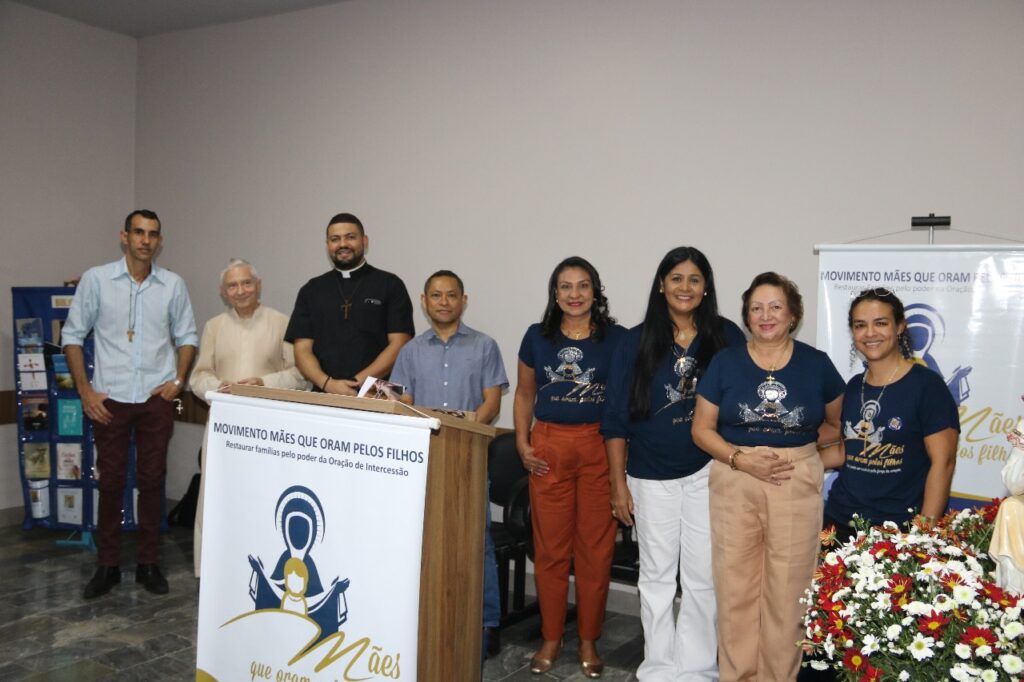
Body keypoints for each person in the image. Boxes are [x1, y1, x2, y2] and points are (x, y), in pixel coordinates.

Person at [692, 271, 844, 682]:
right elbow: (702, 429)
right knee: (736, 590)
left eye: (775, 306)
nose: (765, 315)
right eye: (756, 308)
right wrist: (743, 459)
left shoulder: (817, 364)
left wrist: (801, 454)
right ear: (746, 316)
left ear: (792, 314)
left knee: (787, 594)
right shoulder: (726, 362)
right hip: (734, 479)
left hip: (794, 483)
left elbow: (835, 425)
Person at [602, 247, 745, 681]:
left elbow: (742, 401)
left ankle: (699, 669)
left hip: (708, 472)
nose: (685, 287)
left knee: (703, 577)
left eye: (695, 279)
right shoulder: (634, 340)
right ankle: (660, 668)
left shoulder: (726, 336)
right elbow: (614, 420)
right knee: (658, 578)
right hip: (648, 476)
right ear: (662, 284)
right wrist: (617, 485)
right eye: (677, 278)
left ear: (706, 288)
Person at [63, 209, 198, 599]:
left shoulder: (172, 285)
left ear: (160, 240)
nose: (145, 240)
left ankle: (148, 563)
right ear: (124, 237)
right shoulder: (97, 280)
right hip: (110, 399)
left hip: (156, 399)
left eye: (153, 234)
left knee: (152, 481)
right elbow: (72, 336)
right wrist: (86, 392)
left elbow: (187, 336)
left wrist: (178, 380)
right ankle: (106, 566)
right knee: (111, 482)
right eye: (138, 232)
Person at [513, 256, 624, 678]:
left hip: (599, 447)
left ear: (595, 292)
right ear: (554, 293)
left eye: (582, 286)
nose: (574, 294)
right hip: (549, 449)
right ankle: (552, 636)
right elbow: (524, 395)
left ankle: (589, 639)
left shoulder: (616, 339)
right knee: (551, 551)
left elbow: (623, 400)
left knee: (595, 552)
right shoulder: (536, 337)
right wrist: (523, 443)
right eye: (565, 286)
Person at [389, 270, 509, 657]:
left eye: (451, 295)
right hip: (421, 461)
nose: (444, 301)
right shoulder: (410, 351)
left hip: (469, 459)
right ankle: (420, 615)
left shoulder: (485, 346)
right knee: (420, 541)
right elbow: (402, 401)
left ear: (464, 300)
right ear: (424, 301)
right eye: (436, 295)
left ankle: (487, 623)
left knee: (478, 542)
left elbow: (492, 401)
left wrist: (474, 421)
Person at [188, 258, 309, 576]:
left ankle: (264, 568)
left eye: (246, 283)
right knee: (216, 495)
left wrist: (263, 384)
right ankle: (212, 569)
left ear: (259, 285)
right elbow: (198, 377)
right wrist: (219, 388)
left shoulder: (282, 323)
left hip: (267, 426)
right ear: (223, 291)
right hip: (224, 422)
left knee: (264, 497)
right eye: (232, 285)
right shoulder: (214, 326)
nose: (240, 290)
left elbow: (300, 375)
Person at [825, 288, 959, 538]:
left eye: (881, 323)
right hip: (839, 521)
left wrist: (922, 536)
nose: (870, 333)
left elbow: (944, 463)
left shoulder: (927, 386)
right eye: (860, 325)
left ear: (900, 327)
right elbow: (846, 452)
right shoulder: (855, 386)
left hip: (897, 531)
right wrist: (791, 457)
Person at [285, 213, 414, 394]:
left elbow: (400, 343)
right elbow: (302, 350)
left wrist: (357, 382)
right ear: (327, 245)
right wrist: (328, 384)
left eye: (350, 237)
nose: (343, 244)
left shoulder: (390, 284)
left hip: (379, 389)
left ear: (364, 241)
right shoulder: (311, 289)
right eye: (335, 239)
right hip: (325, 390)